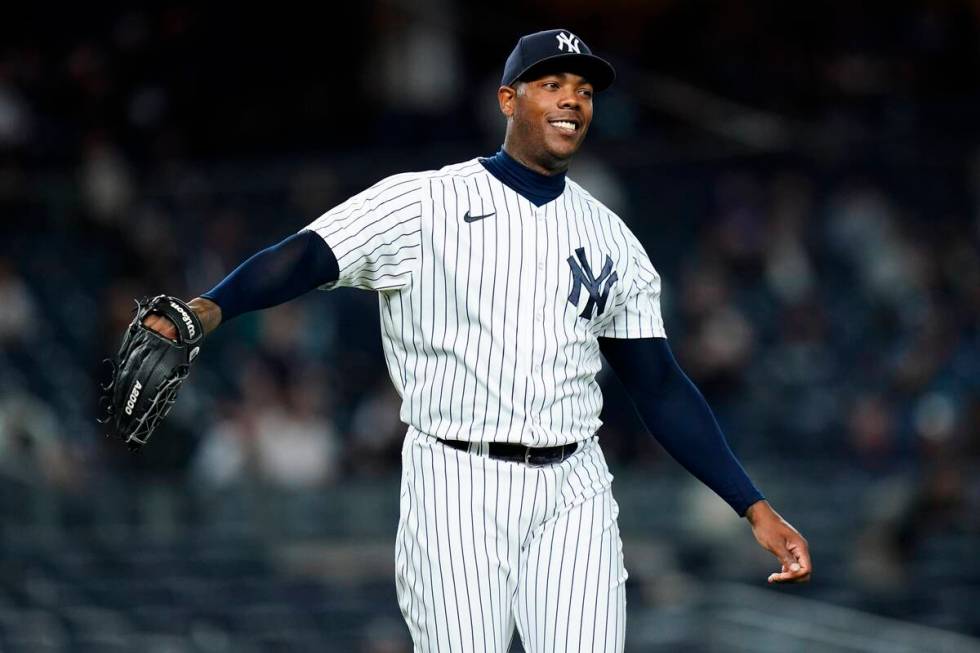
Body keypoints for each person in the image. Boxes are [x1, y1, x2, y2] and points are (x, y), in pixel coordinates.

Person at [145, 28, 811, 653]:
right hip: (457, 479)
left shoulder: (614, 239)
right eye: (553, 84)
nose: (573, 100)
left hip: (575, 485)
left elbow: (660, 385)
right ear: (507, 99)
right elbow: (308, 254)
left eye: (583, 89)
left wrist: (752, 506)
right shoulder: (423, 202)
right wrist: (210, 309)